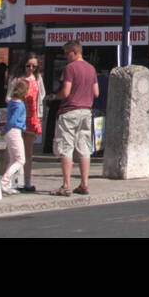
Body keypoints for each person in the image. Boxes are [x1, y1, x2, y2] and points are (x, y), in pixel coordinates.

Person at [49, 41, 98, 196]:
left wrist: (54, 97)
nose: (65, 56)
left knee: (66, 147)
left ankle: (66, 185)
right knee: (84, 148)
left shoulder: (70, 68)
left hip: (70, 111)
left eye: (66, 52)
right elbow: (96, 93)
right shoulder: (91, 68)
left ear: (74, 51)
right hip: (86, 111)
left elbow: (65, 92)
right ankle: (84, 184)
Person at [15, 55, 45, 192]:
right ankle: (15, 180)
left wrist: (39, 114)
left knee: (28, 151)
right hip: (18, 116)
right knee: (16, 151)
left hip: (31, 117)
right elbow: (9, 96)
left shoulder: (37, 79)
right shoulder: (17, 79)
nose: (31, 69)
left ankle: (27, 181)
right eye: (28, 66)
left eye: (34, 66)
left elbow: (41, 96)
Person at [0, 79, 28, 194]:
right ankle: (4, 180)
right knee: (21, 160)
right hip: (15, 130)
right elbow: (13, 120)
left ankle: (7, 185)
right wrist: (6, 129)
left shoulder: (12, 102)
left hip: (10, 131)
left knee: (12, 159)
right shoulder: (20, 105)